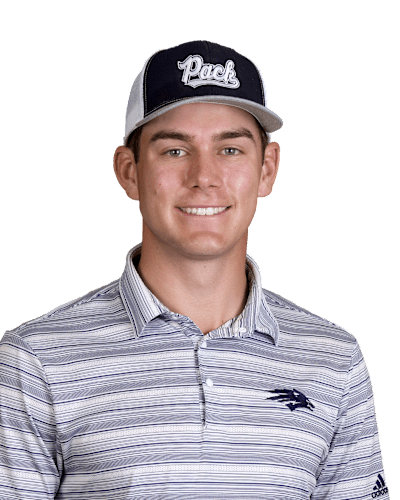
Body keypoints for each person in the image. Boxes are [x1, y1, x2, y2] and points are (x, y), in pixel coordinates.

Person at [0, 40, 389, 499]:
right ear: (129, 171)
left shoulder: (334, 360)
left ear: (268, 169)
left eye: (230, 150)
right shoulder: (36, 360)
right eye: (174, 151)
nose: (204, 177)